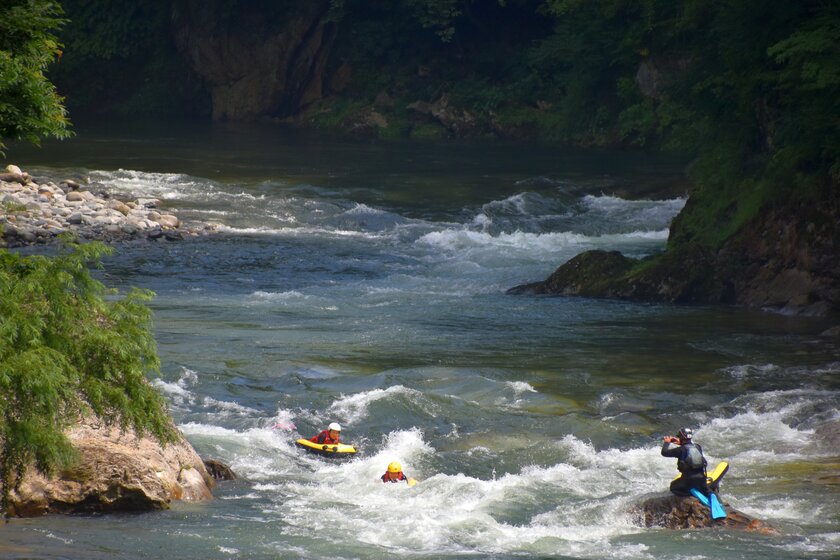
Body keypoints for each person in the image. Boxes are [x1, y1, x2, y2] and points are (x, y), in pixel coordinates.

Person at [661, 427, 709, 496]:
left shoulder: (680, 450)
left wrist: (667, 443)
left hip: (688, 481)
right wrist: (681, 443)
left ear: (681, 437)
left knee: (673, 487)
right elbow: (689, 447)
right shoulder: (698, 447)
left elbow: (664, 453)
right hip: (702, 479)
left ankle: (688, 494)